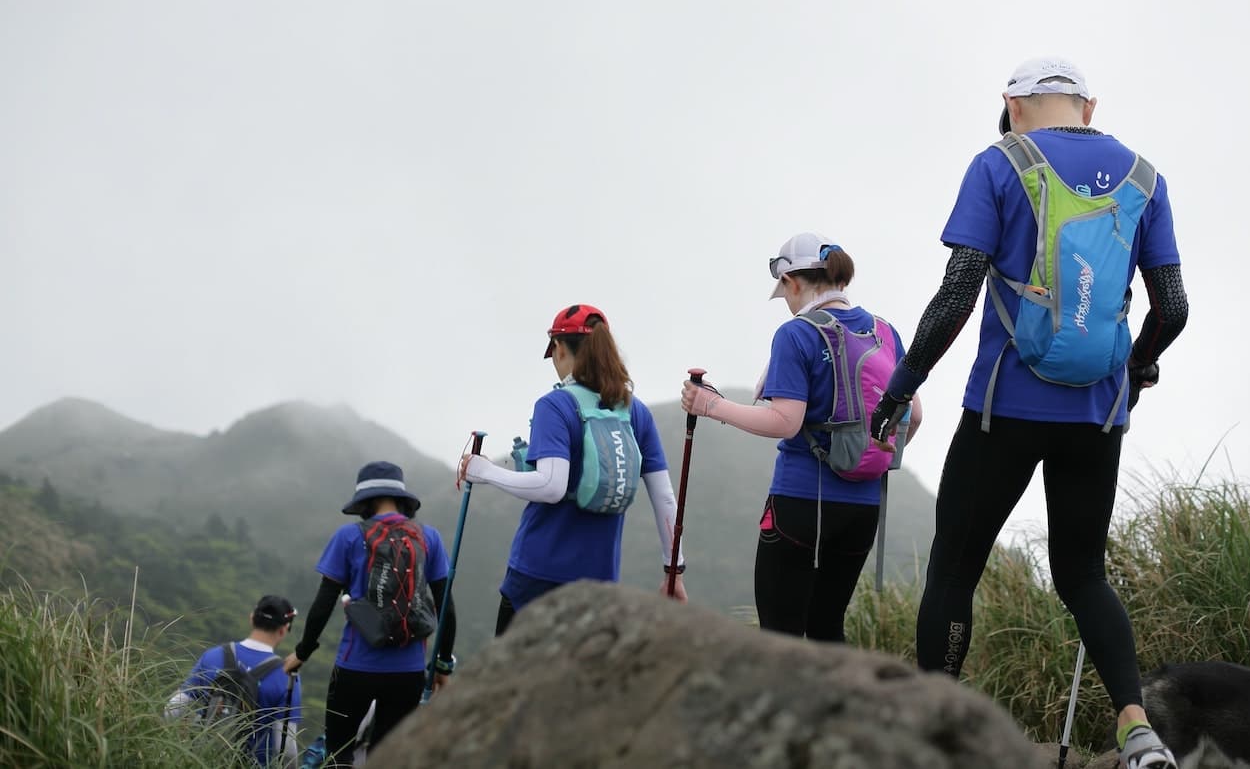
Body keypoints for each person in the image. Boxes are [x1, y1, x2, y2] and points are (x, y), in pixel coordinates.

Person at [868, 57, 1189, 769]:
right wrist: (1134, 371)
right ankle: (1137, 731)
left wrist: (902, 384)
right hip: (1097, 414)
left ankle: (935, 735)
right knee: (1084, 576)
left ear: (1012, 105)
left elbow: (957, 294)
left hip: (1001, 408)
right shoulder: (1145, 178)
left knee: (954, 569)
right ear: (1088, 105)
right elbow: (1174, 307)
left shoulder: (999, 163)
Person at [679, 232, 922, 642]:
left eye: (785, 291)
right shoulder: (885, 331)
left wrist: (710, 406)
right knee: (828, 628)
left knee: (780, 636)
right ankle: (841, 708)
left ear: (793, 282)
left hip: (801, 501)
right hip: (863, 508)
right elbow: (913, 415)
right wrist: (866, 454)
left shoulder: (797, 333)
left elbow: (785, 421)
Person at [457, 303, 686, 635]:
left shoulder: (556, 405)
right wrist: (673, 572)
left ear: (560, 348)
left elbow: (551, 485)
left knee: (515, 683)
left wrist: (486, 472)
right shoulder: (634, 412)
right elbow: (665, 499)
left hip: (536, 576)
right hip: (599, 581)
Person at [282, 461, 454, 768]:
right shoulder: (430, 537)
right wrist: (442, 664)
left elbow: (323, 604)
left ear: (364, 500)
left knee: (339, 753)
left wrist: (302, 652)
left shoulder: (348, 537)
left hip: (355, 666)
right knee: (386, 758)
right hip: (409, 670)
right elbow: (445, 606)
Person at [166, 594, 301, 767]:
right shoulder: (286, 675)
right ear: (283, 630)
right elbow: (287, 750)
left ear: (252, 618)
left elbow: (172, 710)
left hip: (201, 761)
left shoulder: (213, 656)